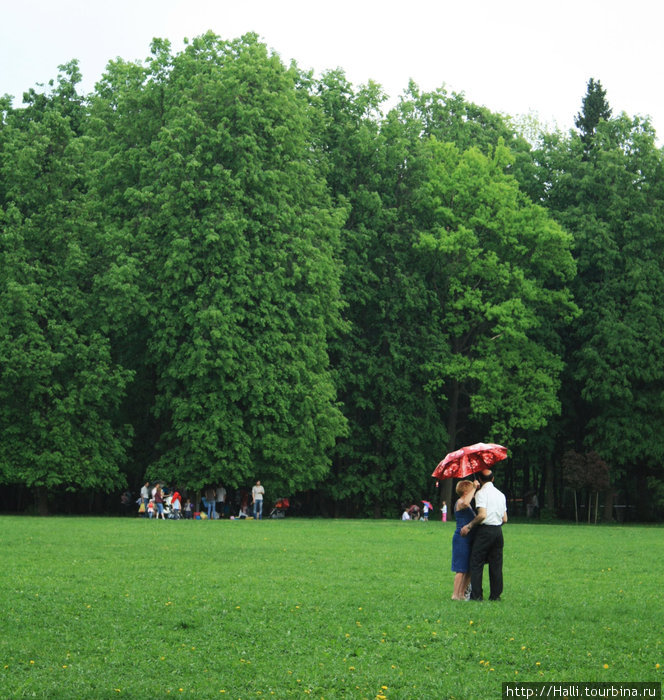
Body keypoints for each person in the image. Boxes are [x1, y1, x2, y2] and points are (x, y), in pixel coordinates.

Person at [461, 469, 507, 601]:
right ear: (492, 479)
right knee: (496, 564)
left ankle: (476, 595)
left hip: (484, 531)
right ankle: (495, 595)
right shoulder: (501, 495)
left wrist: (469, 526)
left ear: (480, 480)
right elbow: (505, 519)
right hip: (498, 531)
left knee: (476, 562)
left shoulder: (481, 494)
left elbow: (482, 515)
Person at [451, 480, 478, 600]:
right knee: (460, 569)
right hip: (461, 539)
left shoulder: (467, 503)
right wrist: (475, 488)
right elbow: (467, 502)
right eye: (470, 488)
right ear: (466, 490)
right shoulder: (461, 502)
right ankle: (455, 594)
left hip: (469, 539)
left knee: (468, 569)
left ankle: (462, 594)